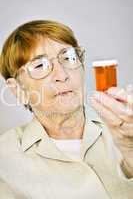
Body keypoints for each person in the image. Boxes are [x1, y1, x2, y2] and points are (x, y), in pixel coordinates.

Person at [0, 20, 133, 199]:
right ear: (17, 89)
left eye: (69, 57)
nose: (62, 75)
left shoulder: (126, 128)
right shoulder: (4, 159)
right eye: (40, 66)